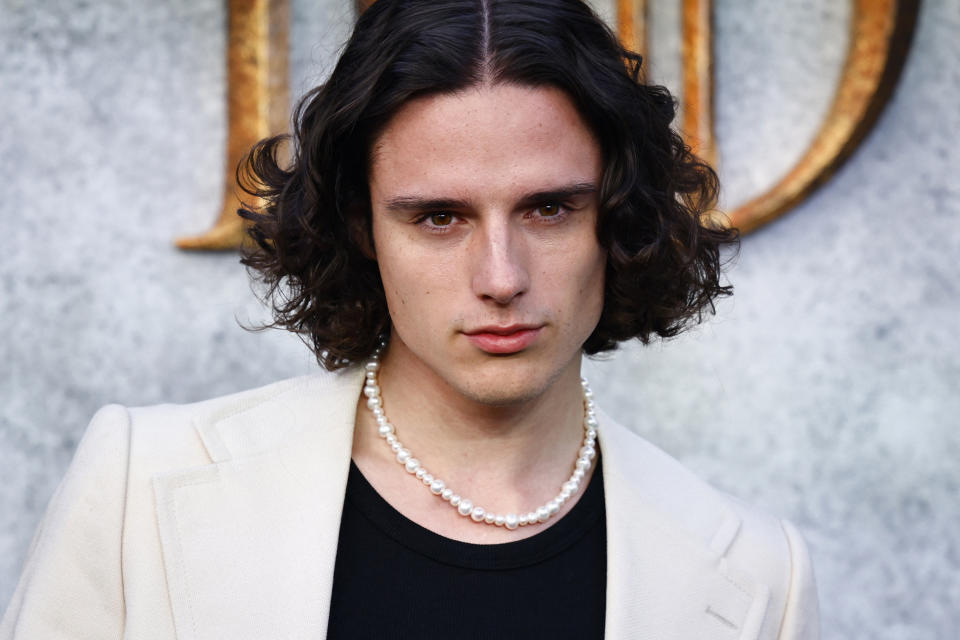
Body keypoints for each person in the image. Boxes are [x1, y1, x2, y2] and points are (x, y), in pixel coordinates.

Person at [1, 0, 819, 637]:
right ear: (361, 226)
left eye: (548, 210)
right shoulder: (138, 487)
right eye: (438, 217)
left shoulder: (755, 573)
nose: (501, 277)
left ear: (615, 214)